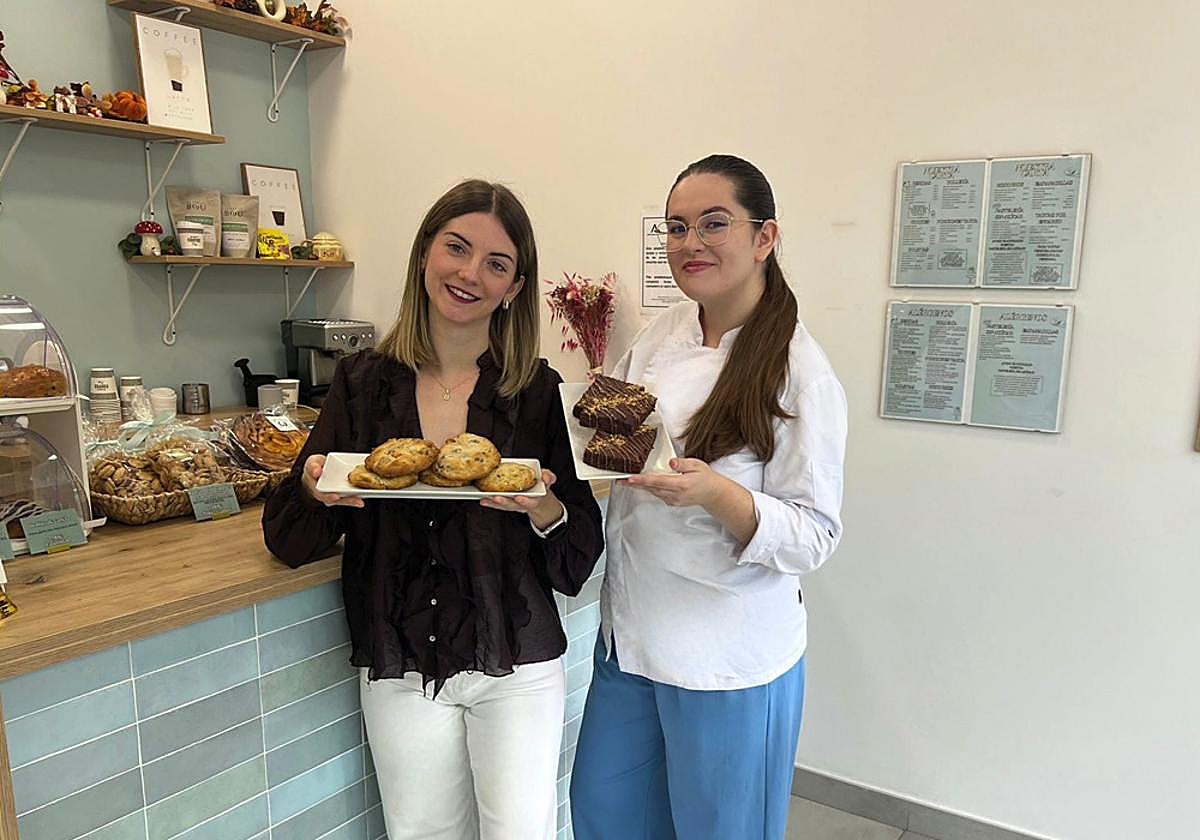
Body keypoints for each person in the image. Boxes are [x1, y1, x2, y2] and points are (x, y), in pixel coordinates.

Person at [263, 179, 604, 840]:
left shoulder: (536, 391)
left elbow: (577, 555)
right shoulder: (361, 383)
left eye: (496, 264)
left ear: (513, 286)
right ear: (425, 254)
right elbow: (291, 539)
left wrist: (542, 506)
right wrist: (311, 487)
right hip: (398, 659)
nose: (470, 273)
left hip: (515, 662)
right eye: (457, 248)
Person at [569, 155, 848, 840]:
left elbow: (815, 535)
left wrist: (717, 493)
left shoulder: (799, 374)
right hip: (630, 642)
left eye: (713, 223)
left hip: (726, 661)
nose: (690, 243)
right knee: (607, 818)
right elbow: (623, 434)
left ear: (765, 237)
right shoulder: (663, 334)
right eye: (676, 227)